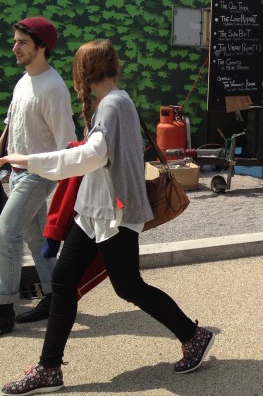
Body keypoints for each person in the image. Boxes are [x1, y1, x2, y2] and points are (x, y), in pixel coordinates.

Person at [0, 40, 214, 394]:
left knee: (128, 287)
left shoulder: (113, 104)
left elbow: (92, 156)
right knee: (66, 283)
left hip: (113, 212)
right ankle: (48, 368)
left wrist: (30, 160)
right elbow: (95, 157)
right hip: (96, 212)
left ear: (86, 71)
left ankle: (194, 335)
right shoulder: (116, 100)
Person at [0, 17, 76, 335]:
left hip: (38, 173)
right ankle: (54, 295)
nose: (14, 47)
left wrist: (62, 188)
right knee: (35, 237)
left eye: (22, 43)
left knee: (6, 231)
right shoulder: (24, 80)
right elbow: (10, 123)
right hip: (16, 172)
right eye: (15, 41)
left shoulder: (54, 88)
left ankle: (4, 309)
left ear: (42, 47)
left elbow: (67, 144)